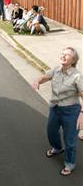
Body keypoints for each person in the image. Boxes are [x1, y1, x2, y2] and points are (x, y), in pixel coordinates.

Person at [32, 47, 83, 176]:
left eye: (67, 55)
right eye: (62, 53)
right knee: (51, 131)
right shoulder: (56, 70)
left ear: (73, 60)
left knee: (70, 140)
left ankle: (70, 164)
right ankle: (57, 148)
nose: (63, 56)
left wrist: (82, 114)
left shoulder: (77, 76)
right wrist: (38, 81)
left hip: (71, 111)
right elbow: (45, 76)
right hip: (55, 107)